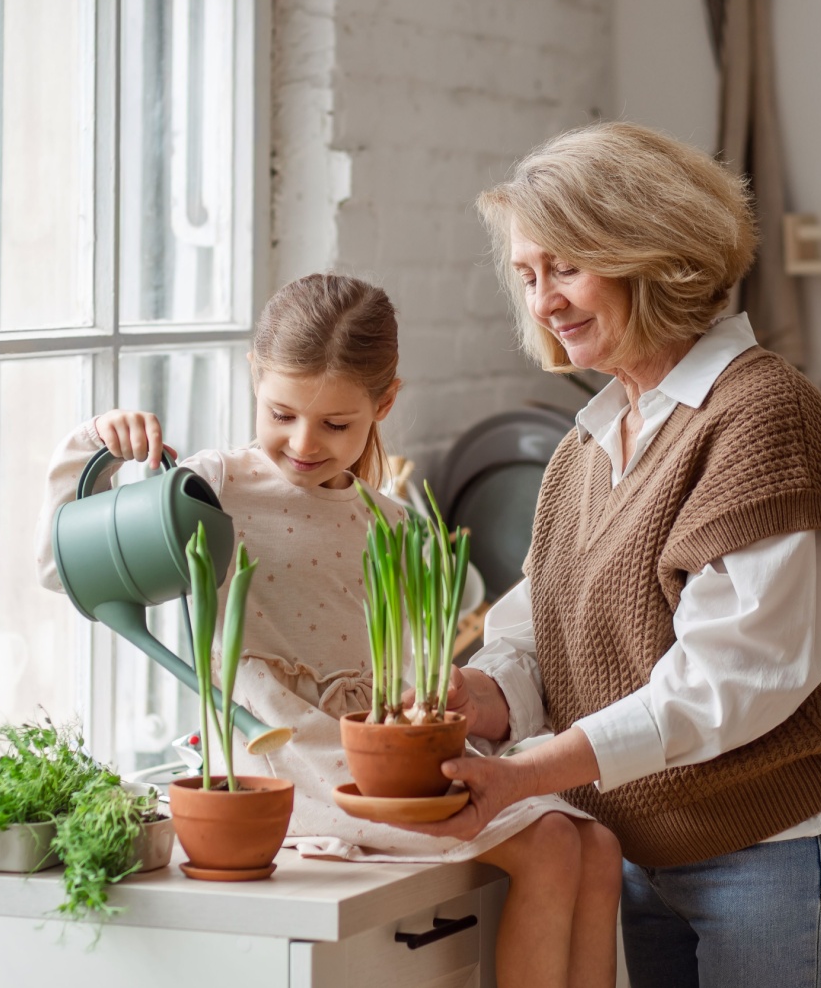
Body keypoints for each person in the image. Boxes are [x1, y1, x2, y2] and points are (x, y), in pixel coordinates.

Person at [407, 121, 821, 988]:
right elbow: (538, 638)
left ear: (649, 253)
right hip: (649, 850)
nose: (543, 299)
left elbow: (736, 676)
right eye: (527, 274)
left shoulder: (762, 419)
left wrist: (523, 775)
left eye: (566, 266)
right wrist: (472, 695)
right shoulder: (587, 448)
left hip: (786, 852)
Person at [36, 273, 621, 988]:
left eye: (336, 424)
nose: (304, 442)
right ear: (256, 378)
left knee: (596, 845)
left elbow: (407, 667)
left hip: (376, 746)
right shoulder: (212, 487)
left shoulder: (390, 519)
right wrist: (92, 449)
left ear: (384, 403)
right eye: (281, 413)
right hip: (287, 755)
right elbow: (63, 571)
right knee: (552, 843)